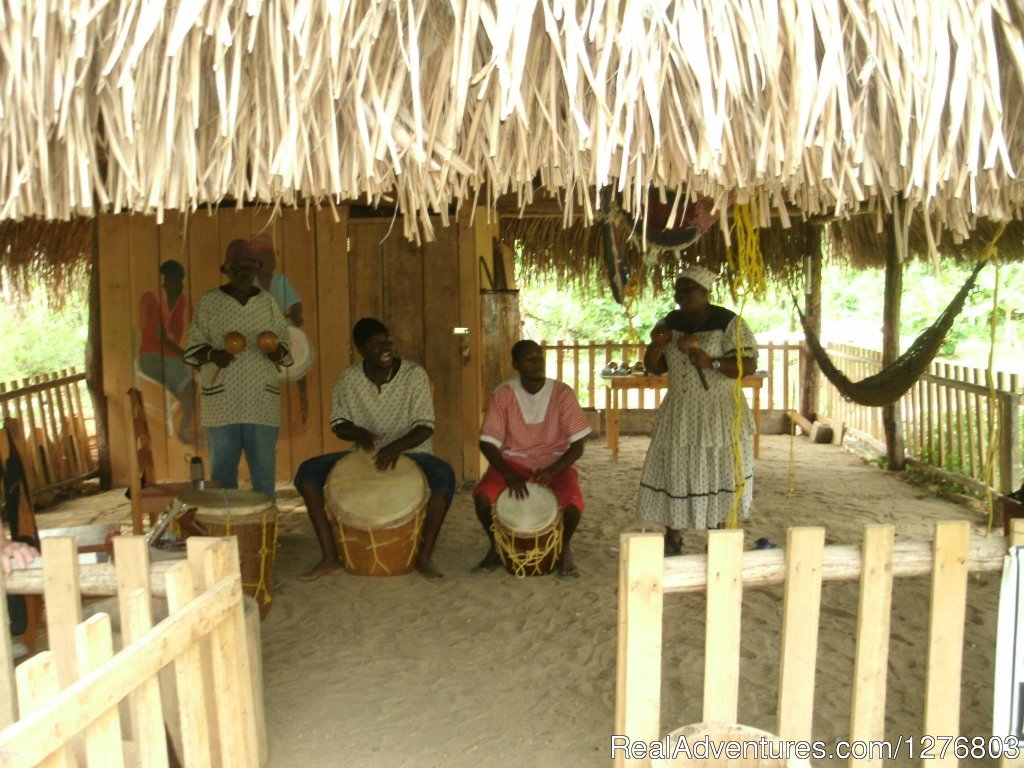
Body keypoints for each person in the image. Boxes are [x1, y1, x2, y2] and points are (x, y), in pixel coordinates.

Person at [293, 317, 454, 581]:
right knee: (307, 474)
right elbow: (339, 423)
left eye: (387, 340)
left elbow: (425, 427)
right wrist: (359, 434)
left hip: (414, 453)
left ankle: (424, 557)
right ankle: (329, 556)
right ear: (361, 350)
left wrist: (394, 448)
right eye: (376, 343)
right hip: (365, 456)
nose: (385, 346)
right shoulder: (349, 378)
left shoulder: (414, 375)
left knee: (444, 477)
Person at [636, 265, 758, 555]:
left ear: (706, 291)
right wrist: (657, 344)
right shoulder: (669, 321)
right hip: (680, 409)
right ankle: (673, 537)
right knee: (675, 468)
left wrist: (711, 362)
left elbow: (748, 365)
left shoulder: (729, 322)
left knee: (721, 470)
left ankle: (719, 537)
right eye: (679, 289)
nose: (682, 295)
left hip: (719, 411)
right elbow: (654, 367)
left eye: (689, 289)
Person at [183, 239, 292, 501]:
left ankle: (267, 534)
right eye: (237, 267)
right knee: (222, 477)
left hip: (261, 403)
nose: (244, 272)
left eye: (249, 266)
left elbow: (286, 351)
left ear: (256, 268)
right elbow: (192, 350)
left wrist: (274, 350)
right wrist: (213, 354)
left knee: (264, 476)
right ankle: (226, 534)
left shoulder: (268, 303)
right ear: (226, 270)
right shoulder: (210, 302)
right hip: (222, 404)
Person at [473, 339, 591, 578]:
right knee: (482, 497)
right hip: (514, 462)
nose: (537, 361)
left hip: (554, 462)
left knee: (573, 505)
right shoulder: (504, 394)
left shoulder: (562, 393)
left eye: (539, 355)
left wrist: (553, 470)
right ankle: (495, 547)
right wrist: (509, 473)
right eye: (529, 357)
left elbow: (578, 445)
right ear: (516, 364)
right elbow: (487, 442)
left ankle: (564, 548)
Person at [137, 260, 196, 443]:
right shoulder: (151, 298)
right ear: (166, 280)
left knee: (193, 384)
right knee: (189, 385)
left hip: (173, 358)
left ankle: (188, 424)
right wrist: (185, 355)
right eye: (176, 280)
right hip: (151, 356)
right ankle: (184, 429)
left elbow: (195, 325)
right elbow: (160, 336)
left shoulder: (183, 301)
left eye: (181, 280)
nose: (180, 285)